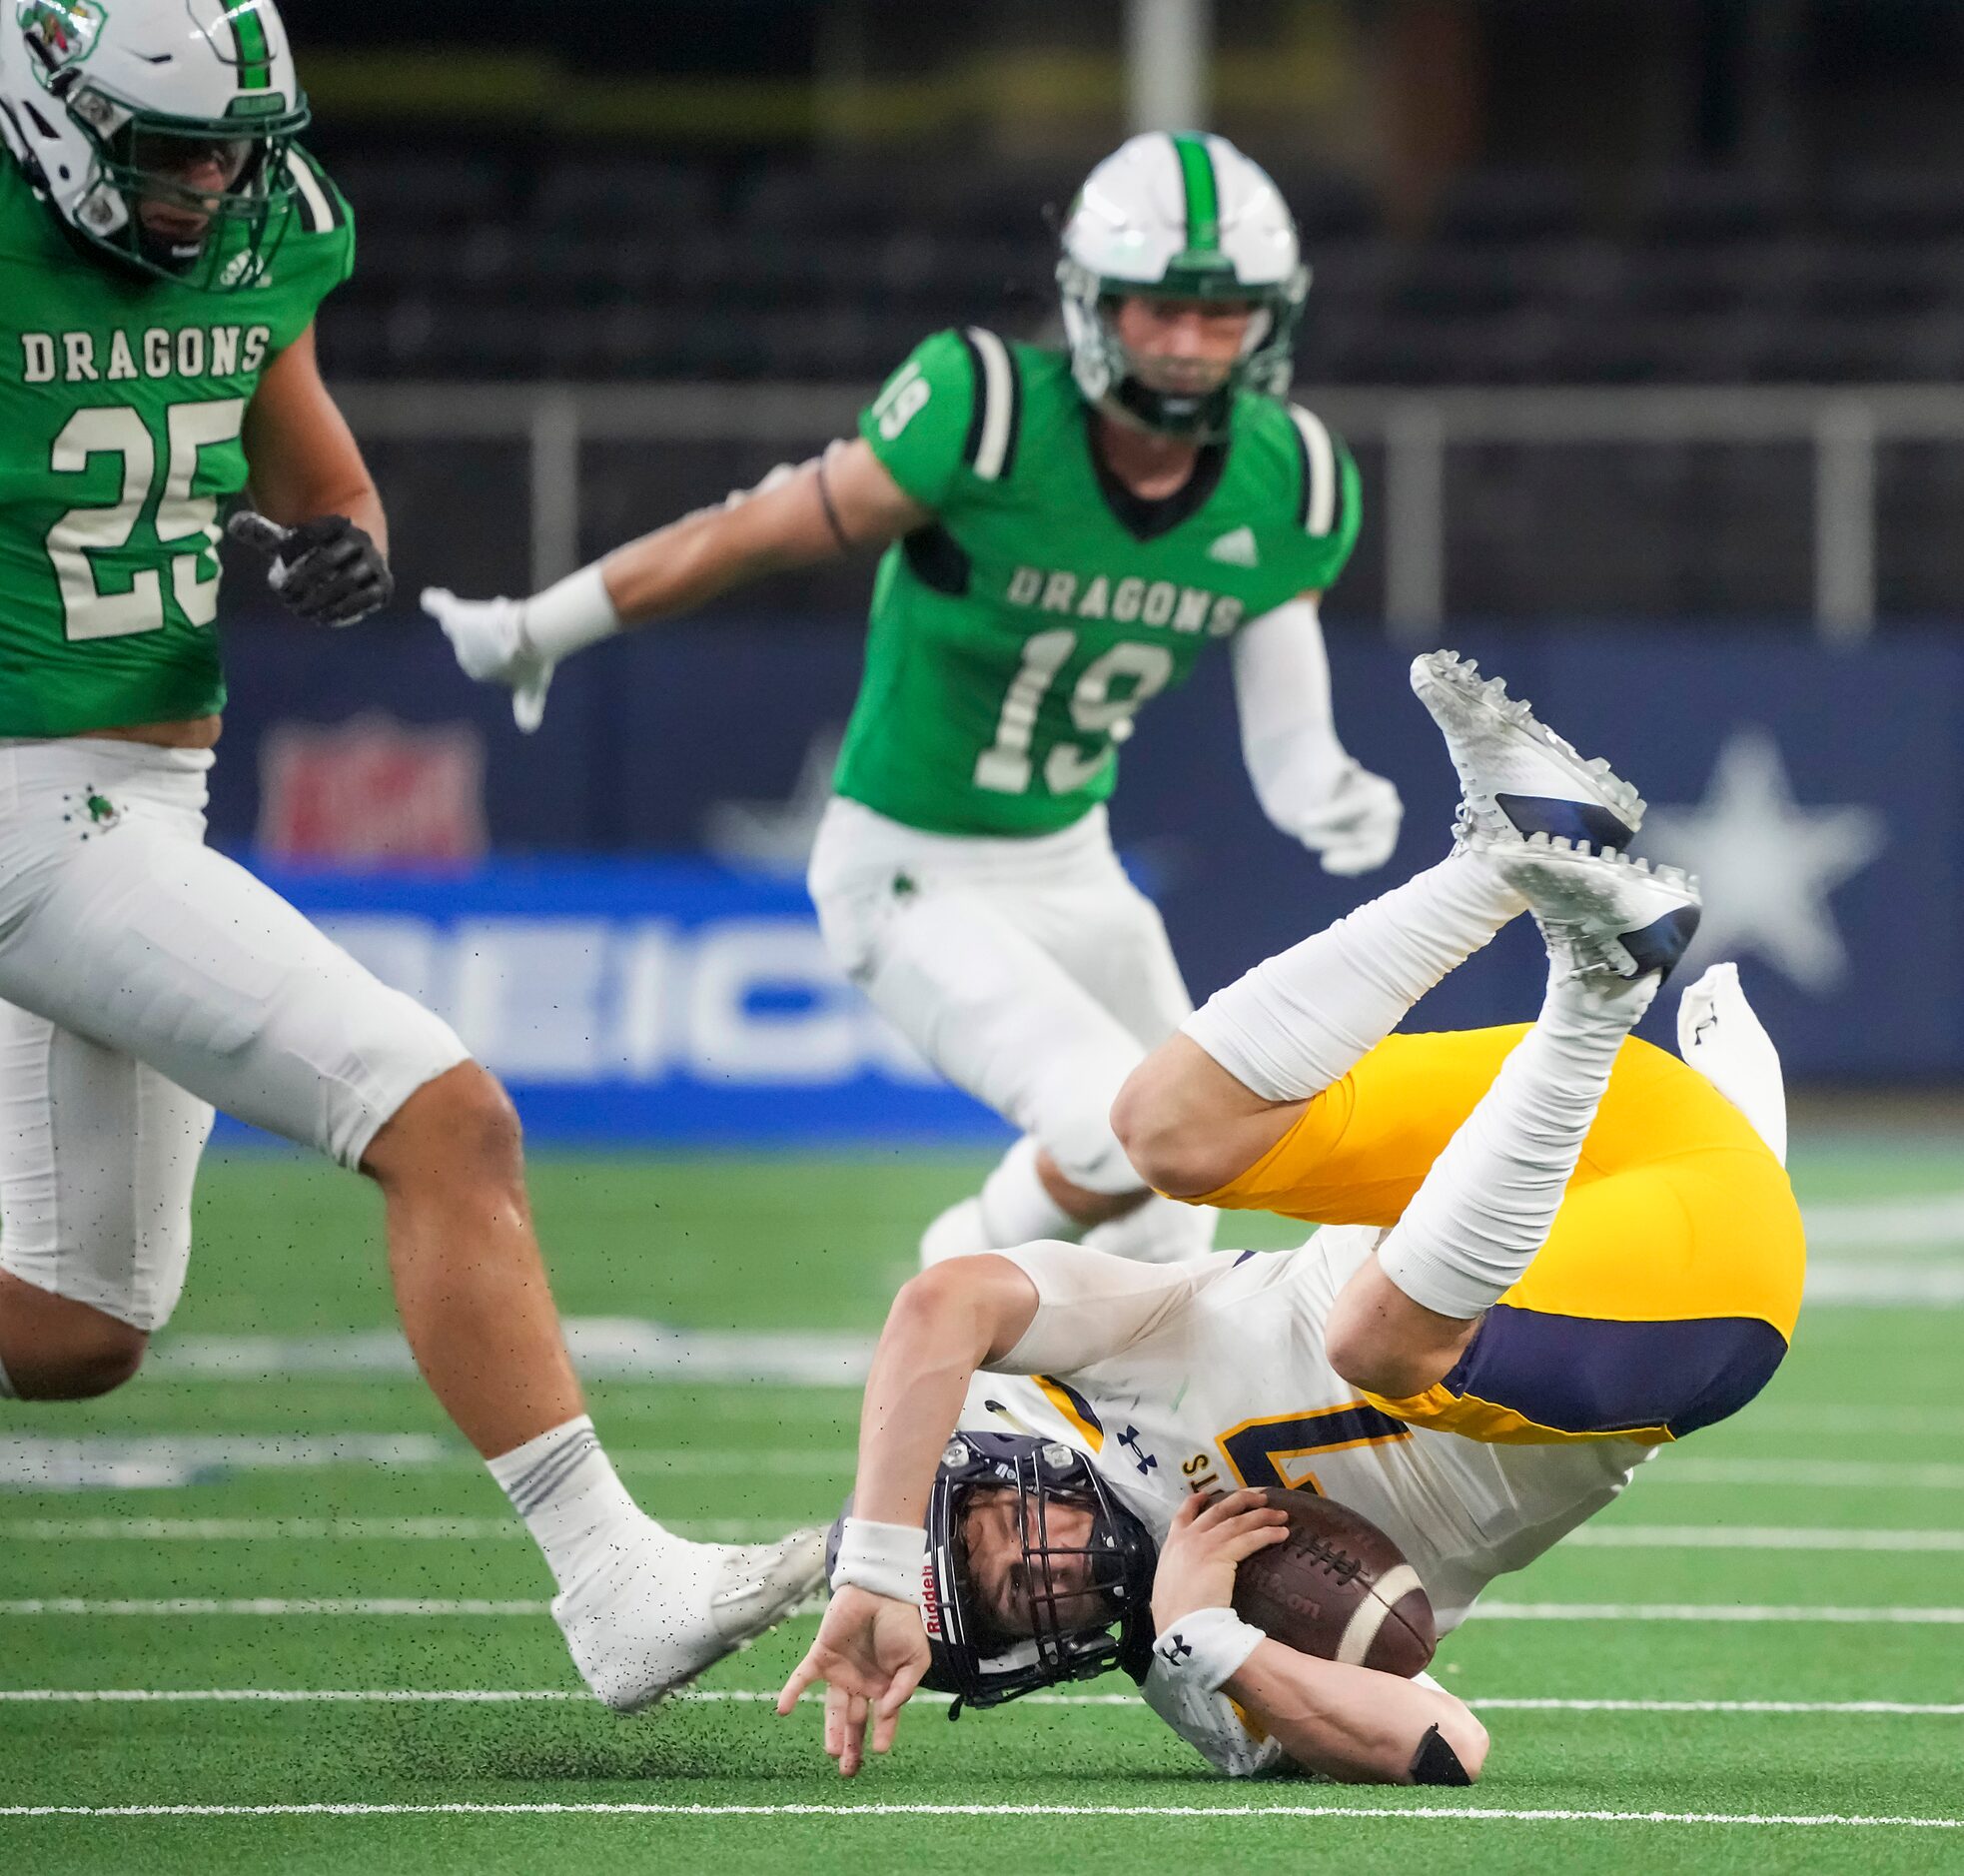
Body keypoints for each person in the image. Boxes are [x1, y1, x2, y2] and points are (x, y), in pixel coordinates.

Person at [0, 0, 818, 1713]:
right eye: (171, 152)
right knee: (444, 1115)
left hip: (147, 795)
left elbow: (325, 483)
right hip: (26, 794)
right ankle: (612, 1576)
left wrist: (338, 555)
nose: (210, 184)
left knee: (72, 1333)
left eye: (236, 150)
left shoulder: (260, 227)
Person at [776, 652, 1804, 1780]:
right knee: (1371, 1343)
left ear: (982, 1467)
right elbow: (1444, 1745)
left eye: (1006, 1544)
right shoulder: (1192, 1667)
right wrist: (1208, 1638)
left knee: (1161, 1129)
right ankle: (1598, 988)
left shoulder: (1064, 1392)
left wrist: (872, 1566)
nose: (1049, 1569)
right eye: (1022, 1605)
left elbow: (948, 1298)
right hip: (1692, 1312)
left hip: (1585, 1135)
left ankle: (1508, 850)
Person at [425, 131, 1403, 1271]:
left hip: (1072, 868)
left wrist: (1324, 787)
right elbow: (751, 534)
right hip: (908, 866)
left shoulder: (1296, 478)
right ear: (1094, 305)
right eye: (1155, 310)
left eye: (1218, 314)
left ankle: (1086, 1433)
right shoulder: (984, 413)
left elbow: (1288, 738)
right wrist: (545, 626)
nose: (1187, 345)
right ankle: (945, 1286)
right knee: (1106, 1133)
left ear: (1268, 319)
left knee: (1189, 1187)